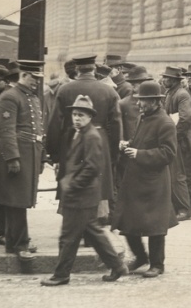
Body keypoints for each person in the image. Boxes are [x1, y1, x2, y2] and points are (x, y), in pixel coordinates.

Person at [41, 96, 128, 286]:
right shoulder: (79, 133)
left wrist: (73, 185)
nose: (76, 118)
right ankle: (117, 266)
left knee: (68, 237)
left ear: (90, 117)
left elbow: (92, 167)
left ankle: (61, 274)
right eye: (74, 114)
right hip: (83, 194)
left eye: (81, 115)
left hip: (82, 194)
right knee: (93, 233)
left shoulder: (91, 136)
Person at [111, 81, 178, 278]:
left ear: (156, 102)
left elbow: (168, 154)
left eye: (144, 101)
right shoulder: (144, 118)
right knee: (128, 221)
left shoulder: (165, 123)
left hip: (154, 181)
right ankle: (141, 257)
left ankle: (157, 264)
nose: (139, 104)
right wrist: (128, 145)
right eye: (139, 100)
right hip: (137, 179)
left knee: (156, 226)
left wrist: (139, 153)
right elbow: (141, 141)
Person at [47, 53, 122, 225]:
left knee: (74, 180)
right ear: (94, 69)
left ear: (77, 70)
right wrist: (113, 153)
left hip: (71, 141)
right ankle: (92, 228)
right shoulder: (109, 91)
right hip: (100, 141)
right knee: (96, 183)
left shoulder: (64, 89)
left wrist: (54, 154)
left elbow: (54, 124)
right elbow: (117, 124)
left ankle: (75, 225)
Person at [0, 60, 45, 263]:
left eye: (38, 79)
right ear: (24, 75)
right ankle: (20, 244)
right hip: (17, 155)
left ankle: (13, 241)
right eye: (34, 78)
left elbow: (37, 130)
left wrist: (41, 156)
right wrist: (12, 158)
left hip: (29, 153)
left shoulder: (30, 96)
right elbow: (5, 129)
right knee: (16, 201)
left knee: (18, 200)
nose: (37, 82)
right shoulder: (10, 96)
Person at [161, 65, 191, 219]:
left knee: (180, 175)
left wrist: (173, 136)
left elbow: (185, 118)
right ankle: (180, 207)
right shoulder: (171, 93)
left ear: (175, 80)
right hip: (176, 139)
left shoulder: (181, 94)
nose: (164, 80)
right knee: (176, 174)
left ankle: (185, 209)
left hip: (183, 140)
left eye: (167, 78)